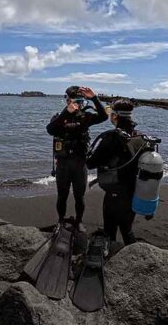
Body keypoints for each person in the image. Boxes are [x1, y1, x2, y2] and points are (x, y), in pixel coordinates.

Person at [46, 86, 108, 232]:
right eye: (74, 100)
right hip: (63, 163)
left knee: (79, 197)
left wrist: (94, 98)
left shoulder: (85, 117)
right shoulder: (60, 117)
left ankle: (79, 221)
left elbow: (104, 116)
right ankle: (61, 221)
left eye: (81, 101)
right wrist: (66, 113)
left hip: (80, 163)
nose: (78, 104)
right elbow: (50, 130)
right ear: (67, 100)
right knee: (62, 196)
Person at [86, 99, 147, 245]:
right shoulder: (140, 136)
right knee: (127, 229)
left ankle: (111, 257)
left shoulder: (110, 138)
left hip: (114, 193)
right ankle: (132, 255)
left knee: (110, 229)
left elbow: (90, 164)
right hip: (134, 190)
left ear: (114, 116)